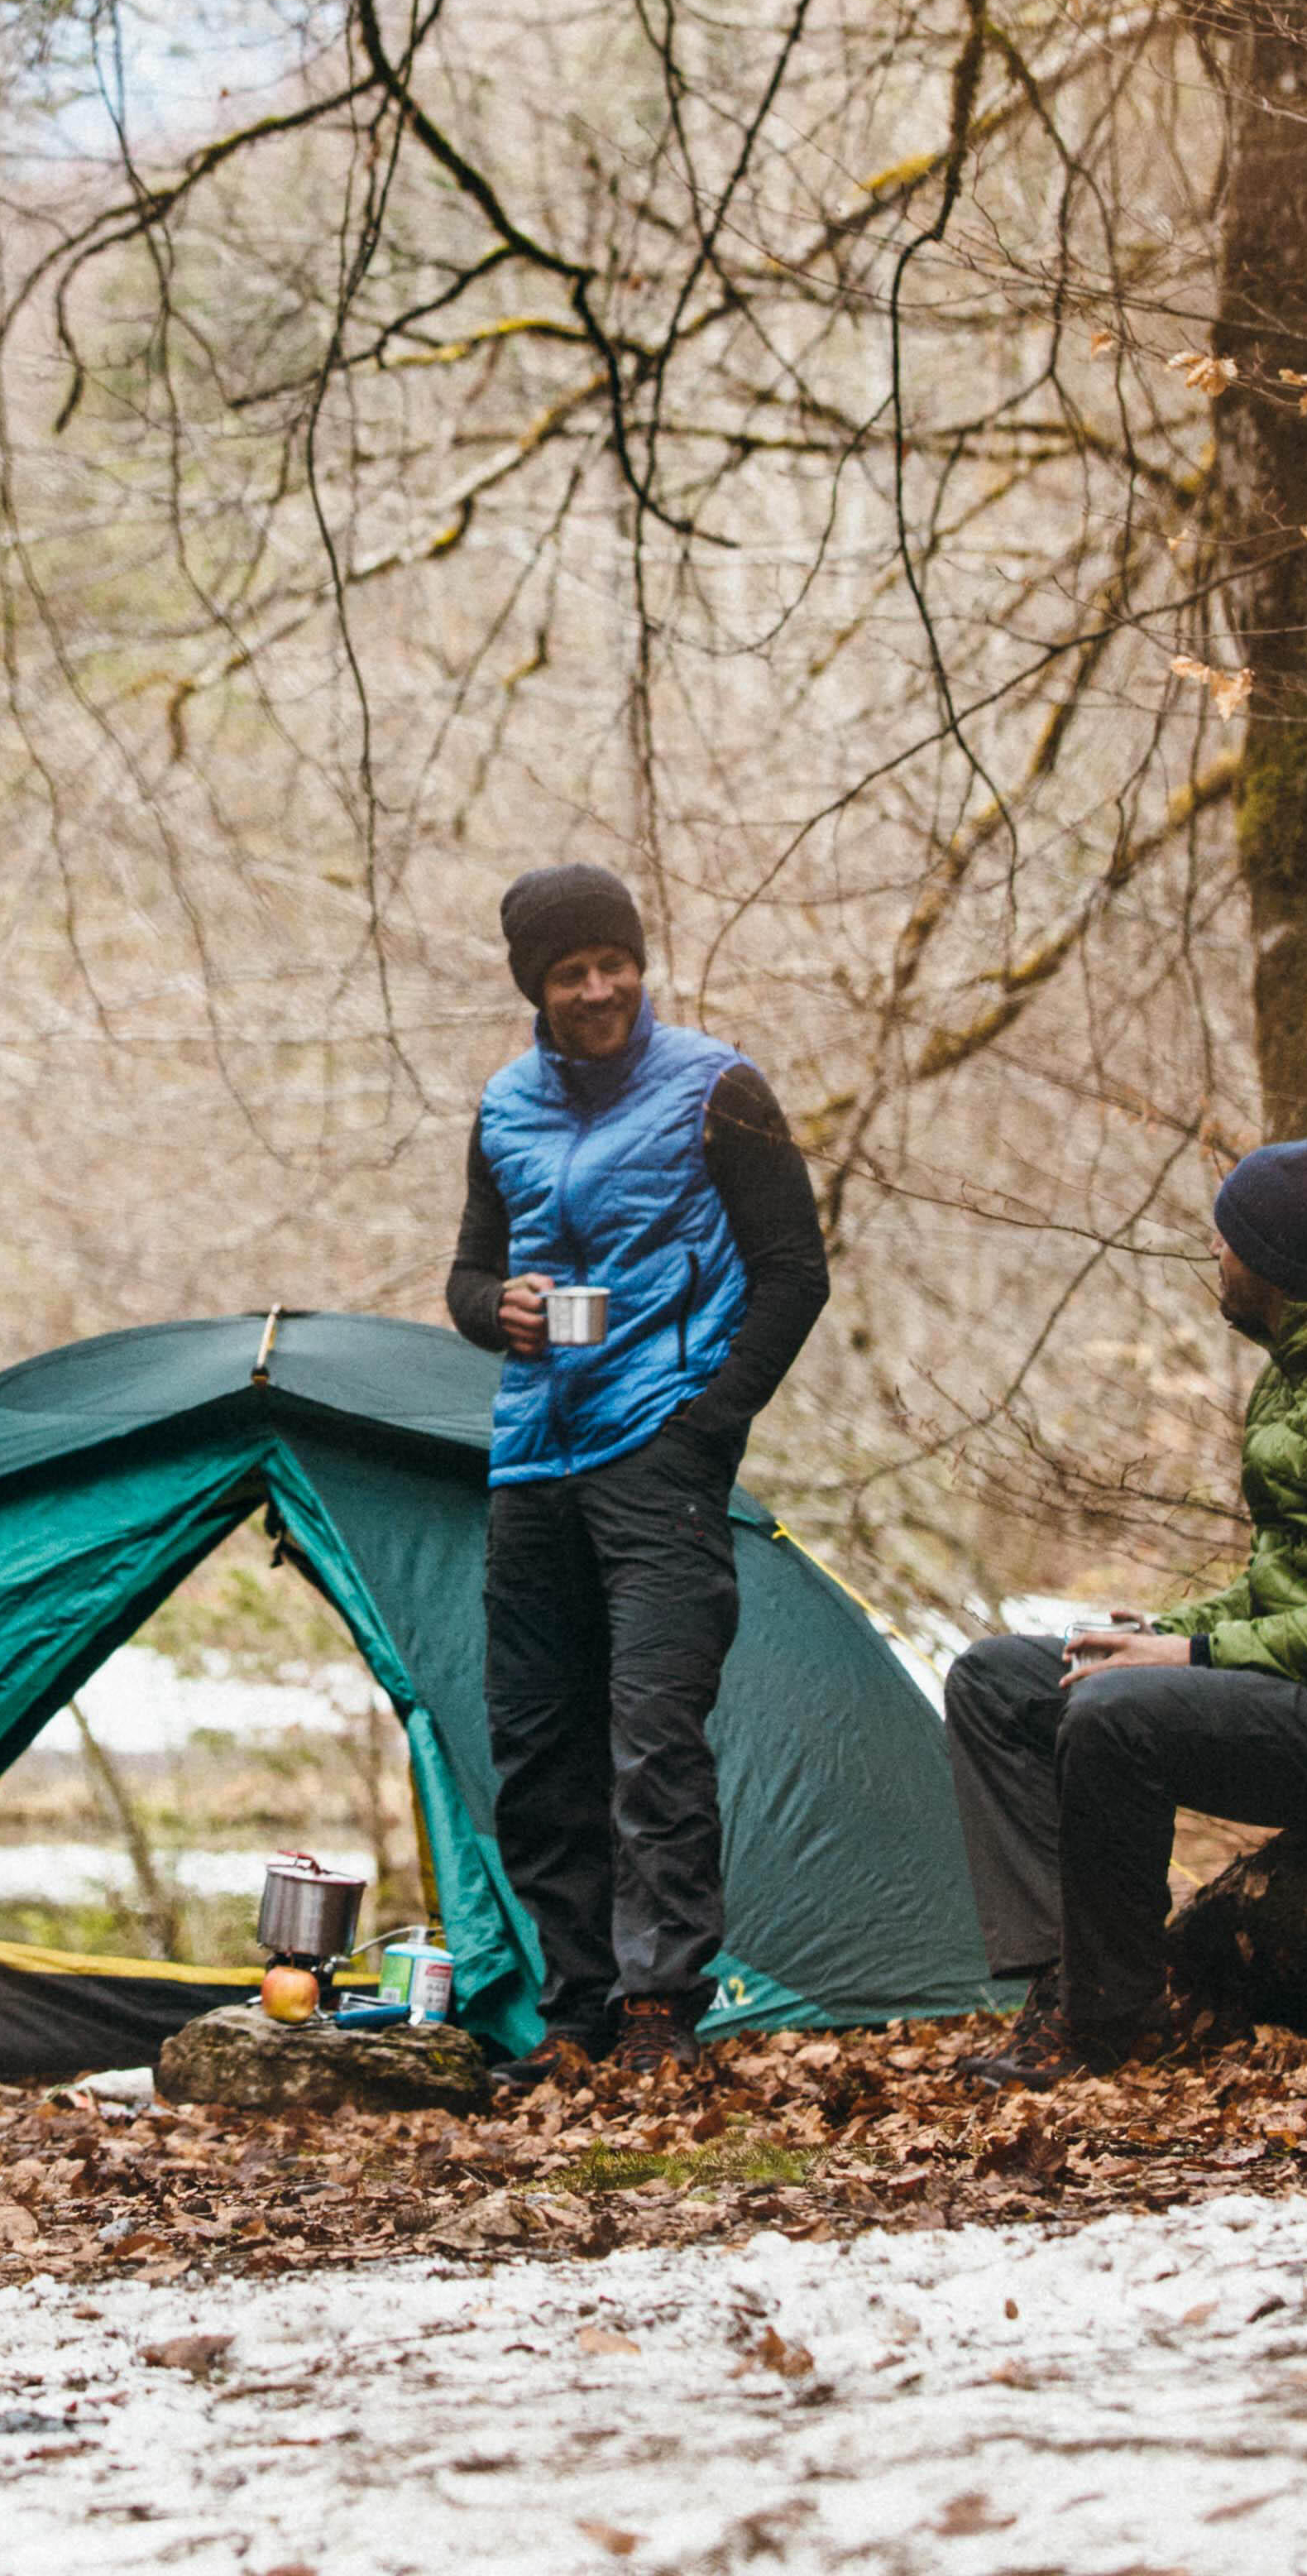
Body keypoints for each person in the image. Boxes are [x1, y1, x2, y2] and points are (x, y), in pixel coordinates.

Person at [939, 1134, 1307, 2083]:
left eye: (1230, 1234)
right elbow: (1288, 1580)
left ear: (1279, 1263)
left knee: (1113, 1714)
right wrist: (1162, 1633)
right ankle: (1064, 1982)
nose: (1215, 1248)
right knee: (999, 1681)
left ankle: (1109, 2025)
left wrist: (1196, 1656)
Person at [444, 861, 831, 2079]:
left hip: (657, 1452)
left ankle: (663, 2015)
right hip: (533, 1461)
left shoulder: (719, 1090)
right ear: (536, 989)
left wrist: (708, 1428)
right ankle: (577, 2014)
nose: (602, 987)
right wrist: (487, 1308)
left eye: (617, 962)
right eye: (573, 973)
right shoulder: (505, 1107)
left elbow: (794, 1274)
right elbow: (467, 1276)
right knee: (538, 1743)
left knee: (654, 1737)